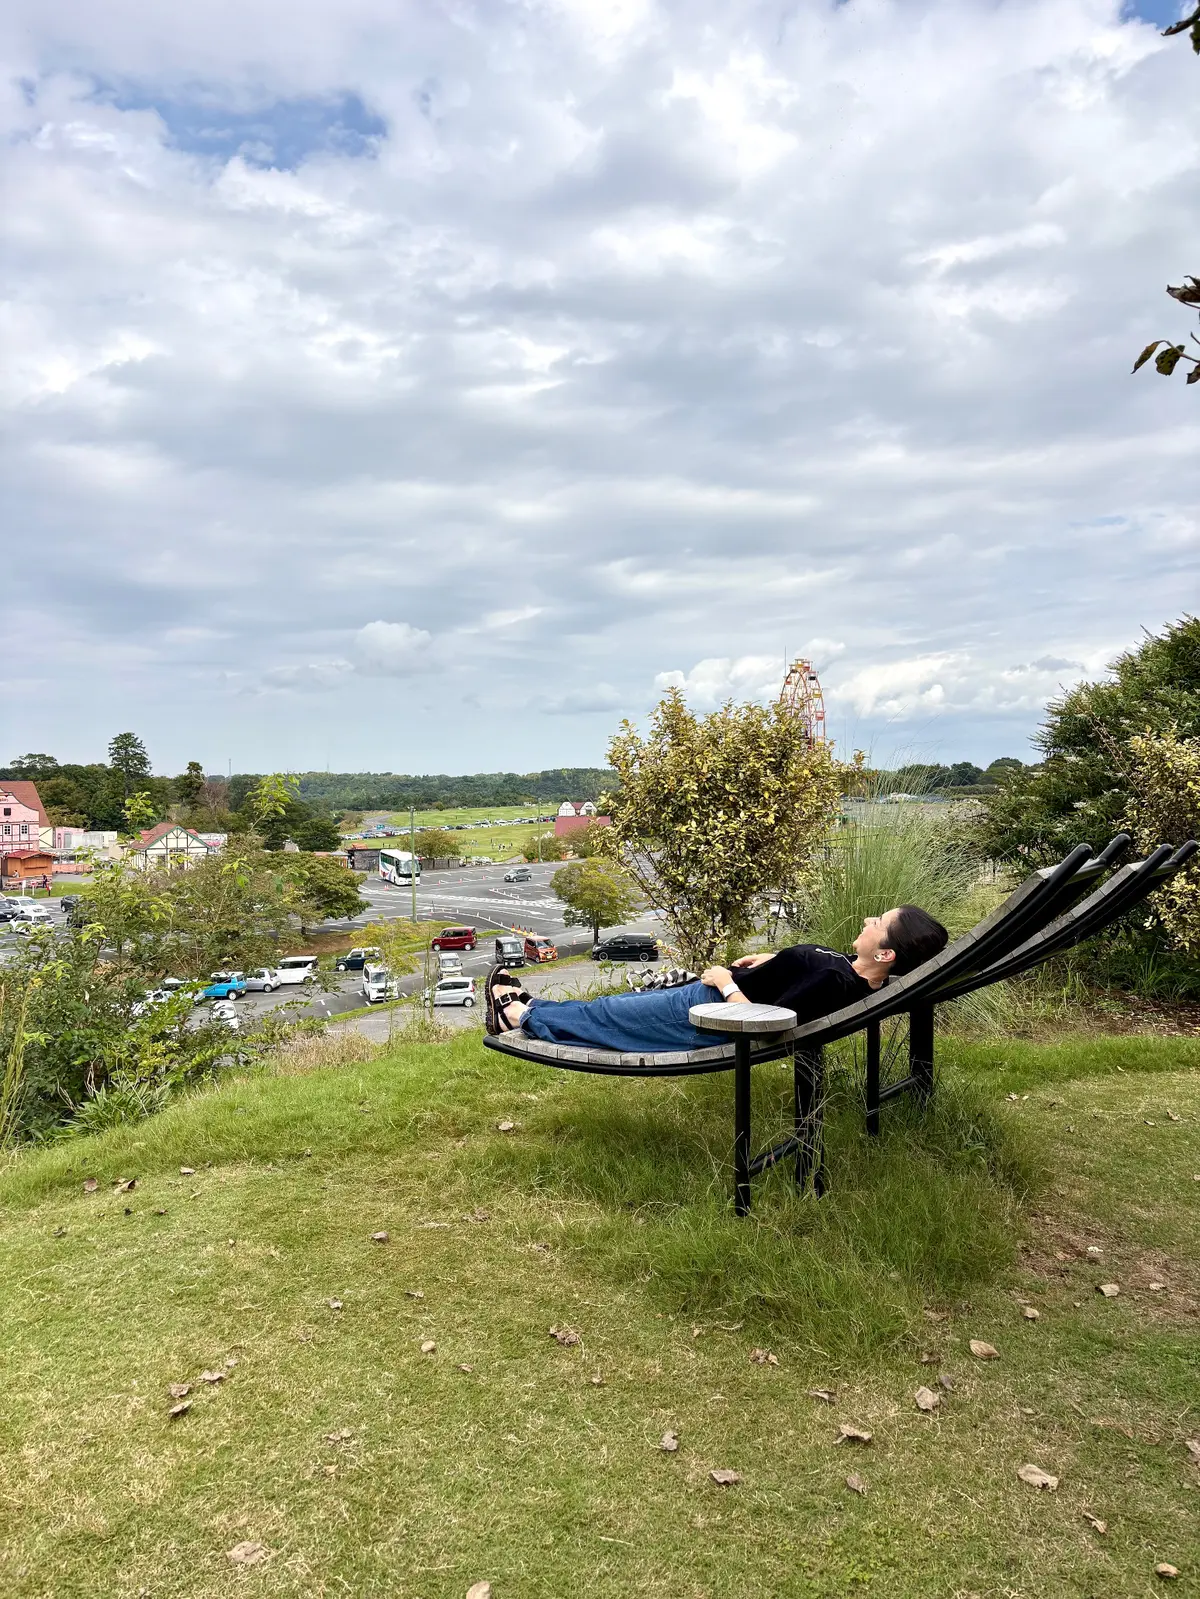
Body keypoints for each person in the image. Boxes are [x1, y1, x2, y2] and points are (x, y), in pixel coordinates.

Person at [485, 905, 949, 1052]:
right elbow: (808, 974)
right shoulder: (860, 974)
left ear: (885, 952)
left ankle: (522, 1015)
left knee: (609, 1013)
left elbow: (770, 1023)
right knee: (613, 1009)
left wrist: (725, 980)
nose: (869, 919)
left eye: (878, 923)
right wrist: (774, 958)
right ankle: (531, 1009)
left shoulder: (835, 981)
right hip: (713, 997)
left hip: (707, 1014)